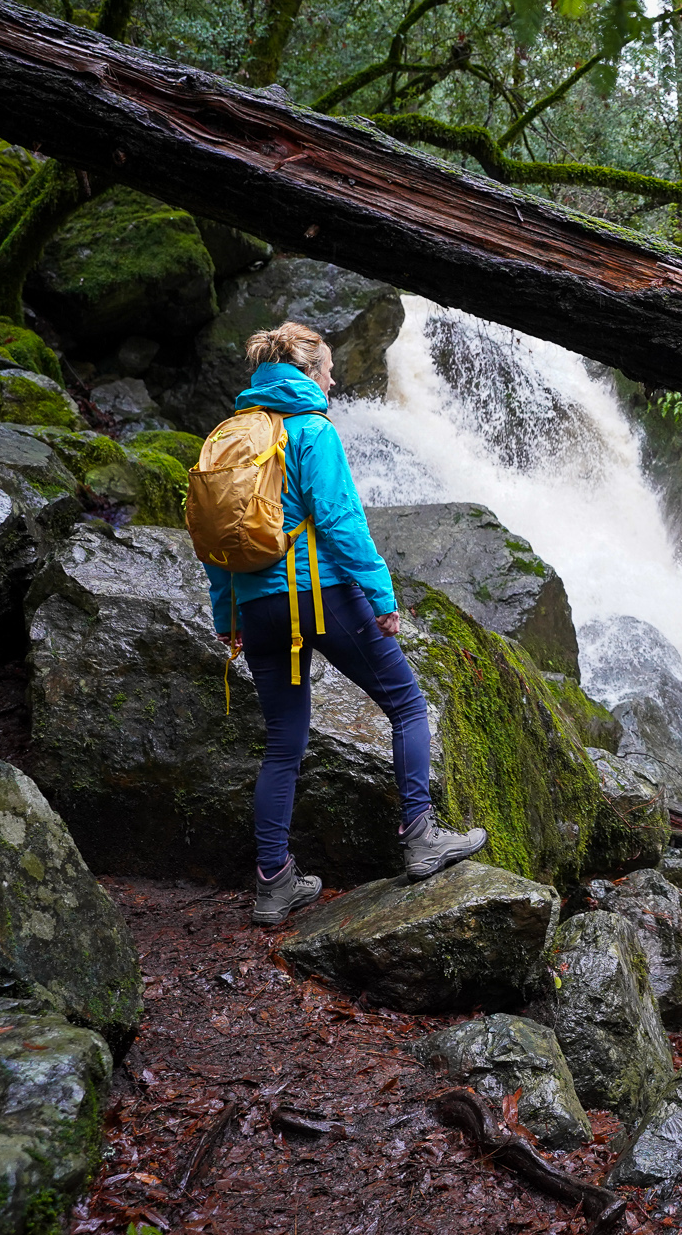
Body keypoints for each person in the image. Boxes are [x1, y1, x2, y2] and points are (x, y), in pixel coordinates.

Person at [204, 321, 487, 926]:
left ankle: (274, 882)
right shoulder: (311, 430)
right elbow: (340, 523)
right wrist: (383, 595)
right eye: (328, 369)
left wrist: (226, 614)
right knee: (408, 705)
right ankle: (420, 838)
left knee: (283, 743)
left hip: (255, 607)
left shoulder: (230, 436)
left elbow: (218, 539)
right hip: (320, 594)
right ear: (308, 372)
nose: (333, 379)